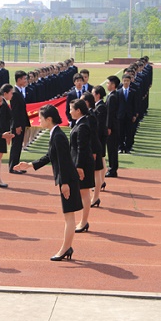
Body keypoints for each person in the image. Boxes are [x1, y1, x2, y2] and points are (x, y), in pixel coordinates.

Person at [14, 105, 82, 261]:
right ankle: (67, 247)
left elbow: (64, 161)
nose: (38, 120)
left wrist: (64, 183)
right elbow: (50, 156)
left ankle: (65, 249)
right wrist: (30, 165)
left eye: (41, 117)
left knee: (69, 217)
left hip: (68, 180)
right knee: (68, 216)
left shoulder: (58, 135)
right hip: (67, 179)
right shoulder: (55, 134)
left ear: (49, 119)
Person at [69, 99, 95, 233]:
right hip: (80, 162)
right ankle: (83, 221)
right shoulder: (80, 123)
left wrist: (79, 167)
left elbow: (82, 148)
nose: (69, 112)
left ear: (78, 111)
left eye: (71, 109)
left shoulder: (83, 125)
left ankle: (84, 222)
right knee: (81, 192)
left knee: (84, 193)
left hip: (83, 164)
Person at [82, 90, 106, 207]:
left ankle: (95, 197)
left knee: (96, 174)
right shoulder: (88, 114)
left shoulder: (90, 115)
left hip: (94, 148)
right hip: (92, 148)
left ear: (87, 102)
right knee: (94, 174)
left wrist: (94, 151)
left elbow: (92, 135)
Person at [9, 70, 30, 174]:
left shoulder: (21, 91)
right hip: (17, 125)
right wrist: (17, 126)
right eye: (24, 79)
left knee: (18, 146)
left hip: (21, 123)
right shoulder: (15, 93)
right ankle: (13, 167)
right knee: (16, 146)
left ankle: (15, 166)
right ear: (19, 80)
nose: (26, 80)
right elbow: (15, 111)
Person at [0, 84, 14, 188]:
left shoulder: (4, 103)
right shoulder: (3, 104)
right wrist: (4, 135)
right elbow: (1, 121)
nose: (12, 95)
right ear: (5, 93)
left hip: (1, 131)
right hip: (0, 132)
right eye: (11, 93)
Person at [105, 76, 120, 178]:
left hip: (112, 127)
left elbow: (110, 114)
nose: (107, 85)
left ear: (113, 85)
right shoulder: (113, 95)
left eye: (108, 83)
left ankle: (112, 169)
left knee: (112, 149)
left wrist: (108, 127)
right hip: (114, 126)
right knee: (112, 148)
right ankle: (112, 168)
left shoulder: (112, 97)